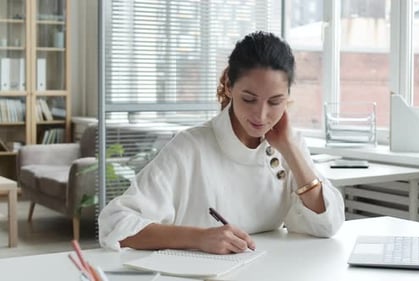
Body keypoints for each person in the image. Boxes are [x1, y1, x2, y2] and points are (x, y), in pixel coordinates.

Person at [98, 31, 345, 254]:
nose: (261, 116)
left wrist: (290, 149)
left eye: (275, 102)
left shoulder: (288, 145)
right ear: (228, 85)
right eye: (249, 99)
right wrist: (199, 238)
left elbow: (328, 224)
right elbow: (116, 223)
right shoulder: (190, 147)